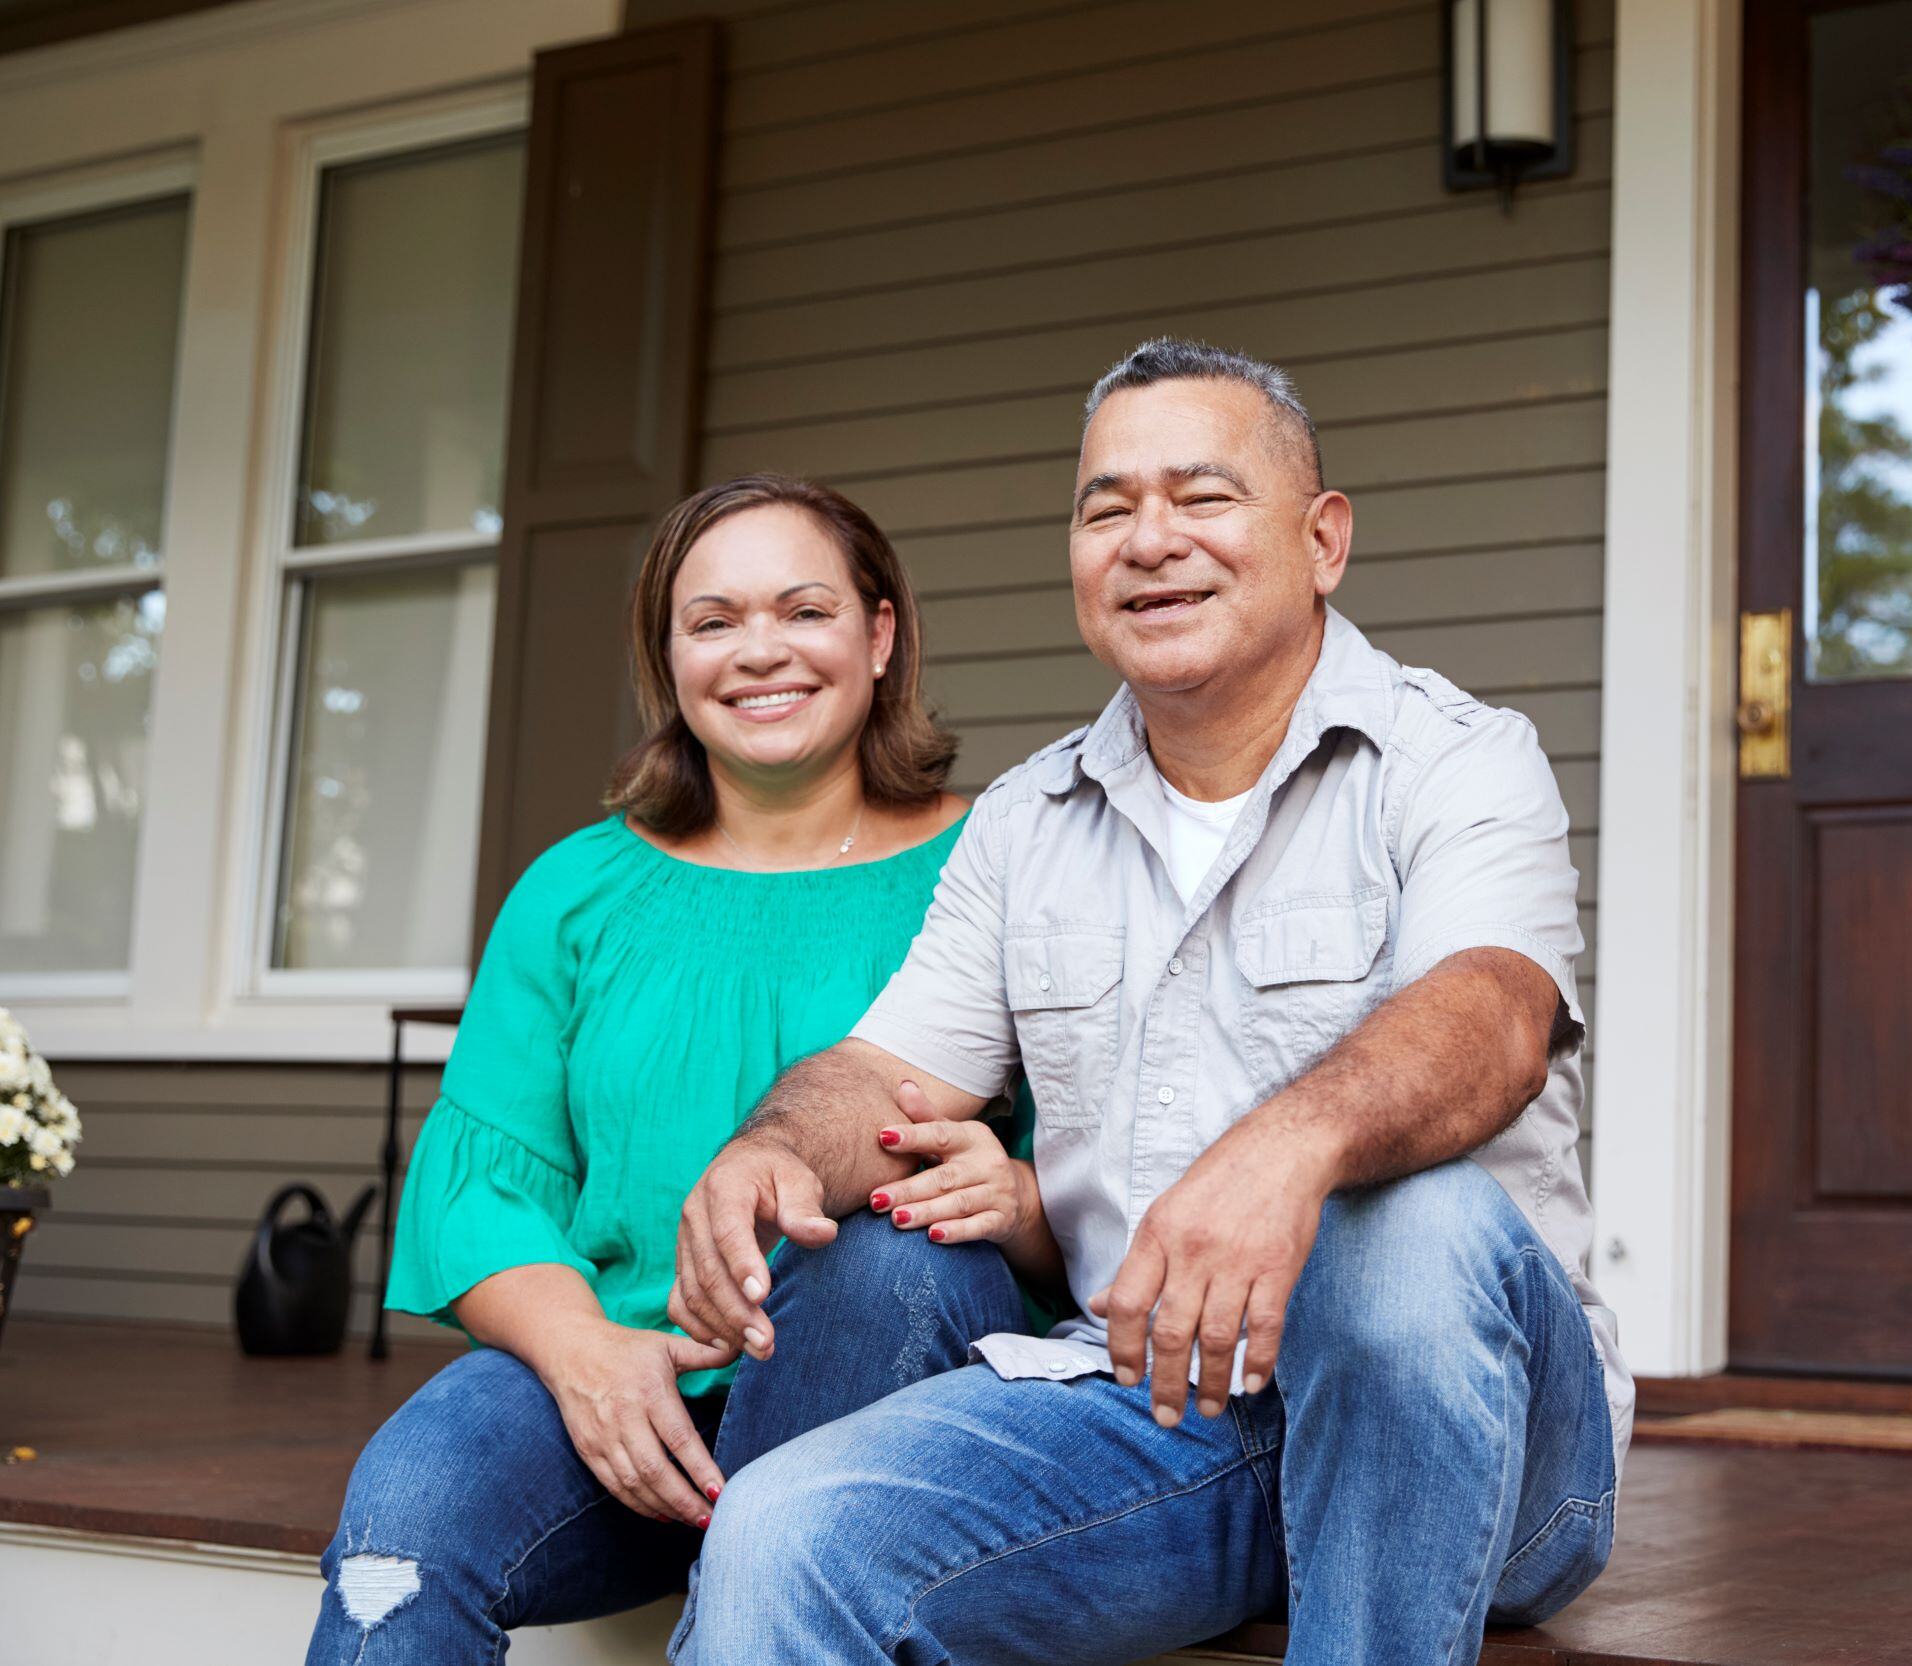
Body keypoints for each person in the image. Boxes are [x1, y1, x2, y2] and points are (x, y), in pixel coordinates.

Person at [667, 340, 1629, 1665]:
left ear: (1323, 539)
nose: (1149, 539)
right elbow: (884, 1070)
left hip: (1483, 1437)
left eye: (1202, 496)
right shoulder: (1026, 821)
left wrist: (1291, 1148)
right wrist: (771, 1147)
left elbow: (1495, 1013)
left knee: (1402, 1225)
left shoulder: (1458, 760)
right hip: (1165, 1412)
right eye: (1107, 507)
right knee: (783, 1530)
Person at [307, 475, 1058, 1662]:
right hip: (624, 1376)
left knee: (888, 1256)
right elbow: (483, 1186)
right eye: (712, 621)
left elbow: (1110, 1183)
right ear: (668, 661)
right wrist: (585, 1355)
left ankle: (757, 1604)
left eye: (803, 611)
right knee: (404, 1531)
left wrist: (1017, 1202)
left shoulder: (1008, 863)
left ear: (879, 634)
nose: (759, 651)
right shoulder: (575, 890)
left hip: (889, 1389)